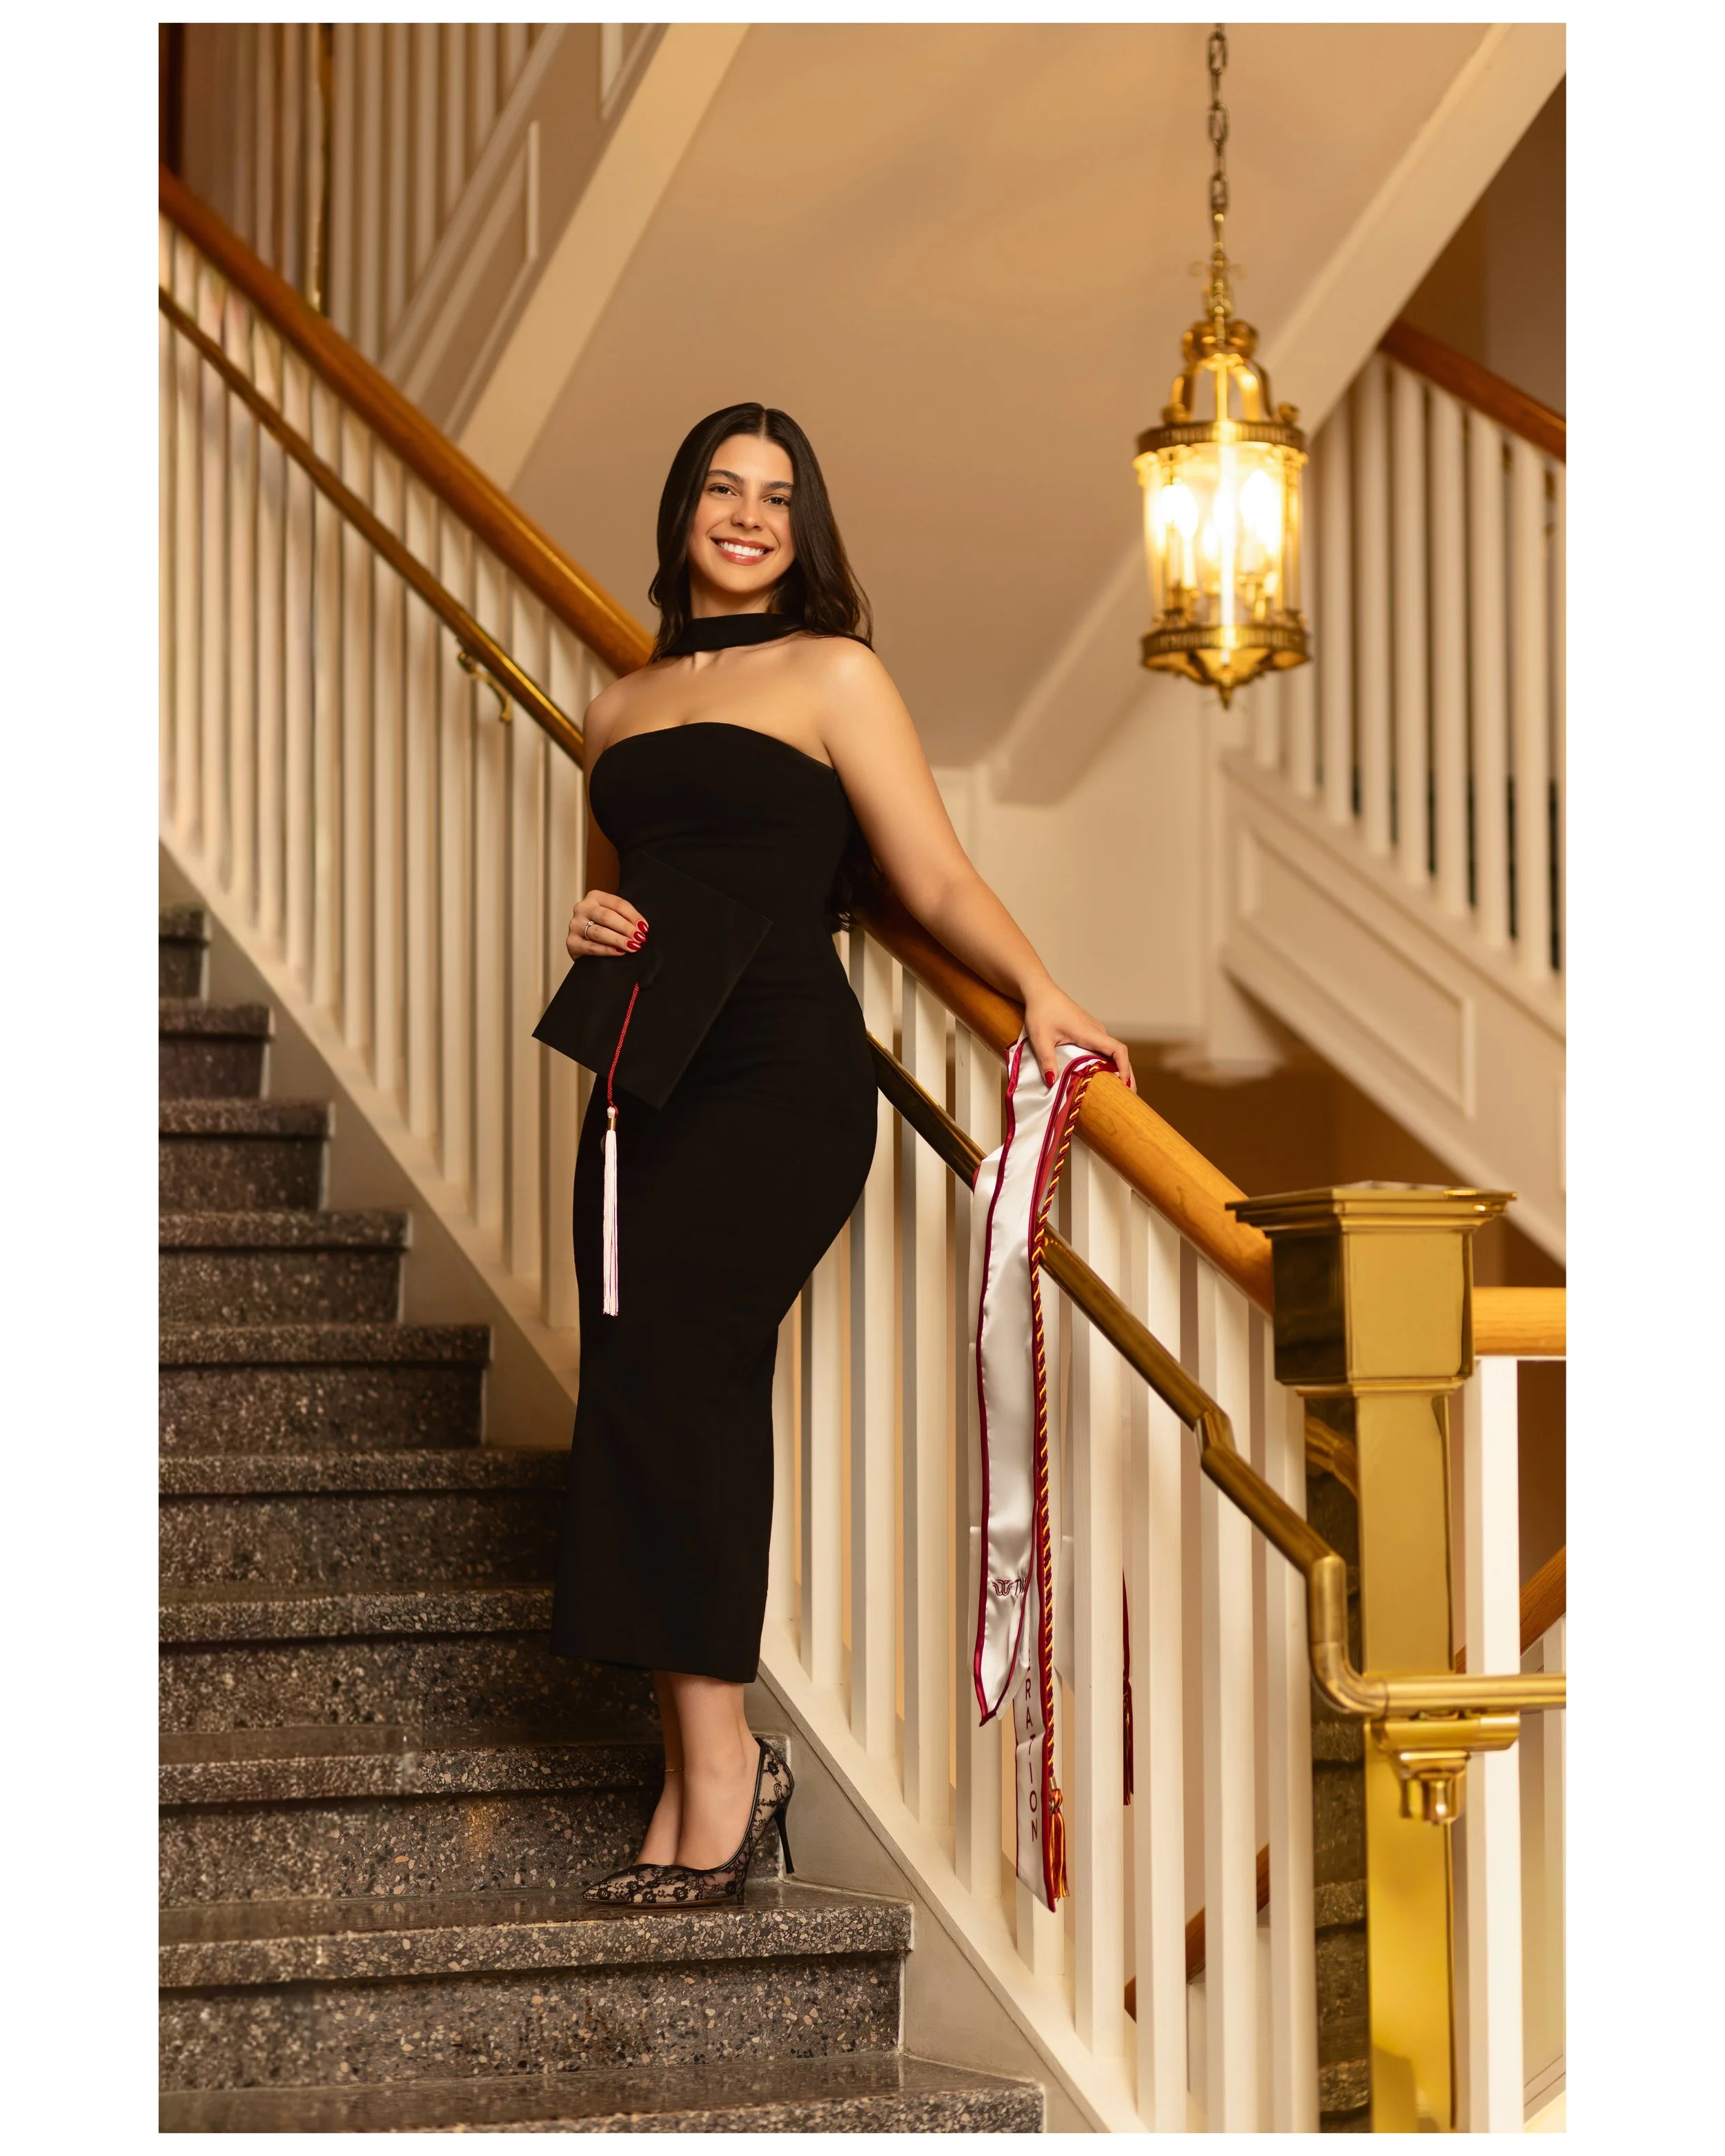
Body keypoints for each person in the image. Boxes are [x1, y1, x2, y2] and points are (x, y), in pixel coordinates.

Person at [552, 402, 1134, 1908]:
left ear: (802, 531)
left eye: (776, 496)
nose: (746, 514)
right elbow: (620, 896)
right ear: (680, 507)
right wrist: (591, 923)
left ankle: (723, 1767)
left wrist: (1040, 991)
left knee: (690, 1377)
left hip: (775, 1074)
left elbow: (926, 869)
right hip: (635, 1080)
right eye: (721, 489)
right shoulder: (609, 704)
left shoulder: (833, 672)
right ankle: (696, 1771)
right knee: (629, 1386)